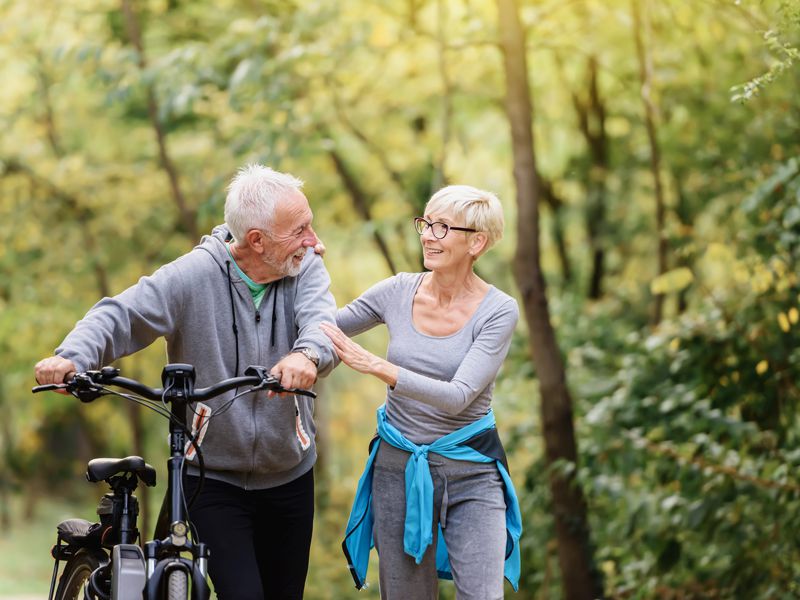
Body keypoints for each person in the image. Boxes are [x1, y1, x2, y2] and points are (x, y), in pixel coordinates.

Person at [34, 164, 338, 600]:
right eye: (301, 229)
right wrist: (70, 357)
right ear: (257, 240)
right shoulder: (194, 276)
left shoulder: (304, 268)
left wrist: (305, 356)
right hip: (211, 478)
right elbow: (121, 314)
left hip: (289, 474)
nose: (314, 240)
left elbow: (321, 325)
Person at [320, 185, 523, 600]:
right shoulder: (398, 291)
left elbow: (459, 395)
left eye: (443, 227)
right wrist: (300, 270)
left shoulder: (499, 310)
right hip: (398, 471)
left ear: (477, 242)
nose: (428, 235)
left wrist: (378, 366)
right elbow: (326, 326)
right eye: (425, 223)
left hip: (472, 473)